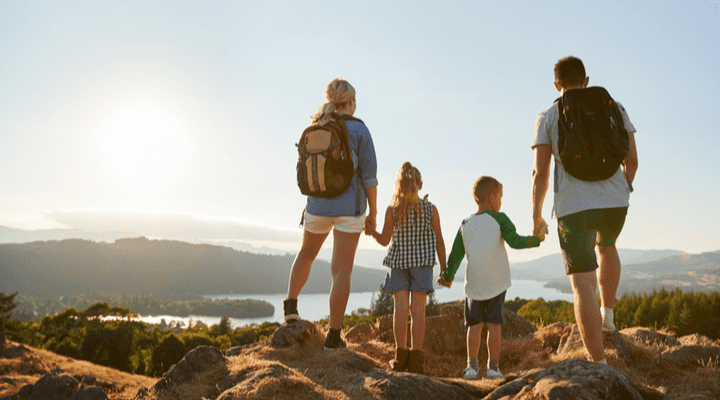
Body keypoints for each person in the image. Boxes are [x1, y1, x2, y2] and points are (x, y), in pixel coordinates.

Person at [531, 56, 638, 364]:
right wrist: (623, 188)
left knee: (581, 284)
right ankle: (608, 316)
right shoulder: (614, 108)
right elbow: (632, 161)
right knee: (607, 248)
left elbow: (541, 173)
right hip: (616, 203)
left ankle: (599, 364)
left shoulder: (548, 116)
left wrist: (537, 214)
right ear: (586, 80)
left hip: (574, 207)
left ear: (556, 84)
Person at [284, 78, 378, 351]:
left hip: (317, 205)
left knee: (306, 254)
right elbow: (369, 178)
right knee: (341, 270)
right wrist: (372, 213)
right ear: (351, 102)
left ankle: (290, 307)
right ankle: (334, 336)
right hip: (350, 209)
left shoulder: (317, 126)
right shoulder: (359, 129)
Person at [438, 176, 545, 380]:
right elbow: (514, 241)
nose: (501, 202)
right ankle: (493, 368)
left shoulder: (465, 224)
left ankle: (471, 368)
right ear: (492, 197)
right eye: (501, 197)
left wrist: (448, 276)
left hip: (474, 286)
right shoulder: (500, 218)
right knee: (494, 326)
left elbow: (455, 256)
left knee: (474, 327)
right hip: (496, 283)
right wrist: (536, 239)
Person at [365, 162, 447, 374]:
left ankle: (400, 358)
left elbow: (384, 241)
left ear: (398, 185)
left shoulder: (393, 210)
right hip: (422, 265)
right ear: (419, 184)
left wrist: (372, 232)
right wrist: (444, 269)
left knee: (399, 311)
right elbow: (439, 241)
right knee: (418, 313)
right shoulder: (431, 209)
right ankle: (417, 360)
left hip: (398, 263)